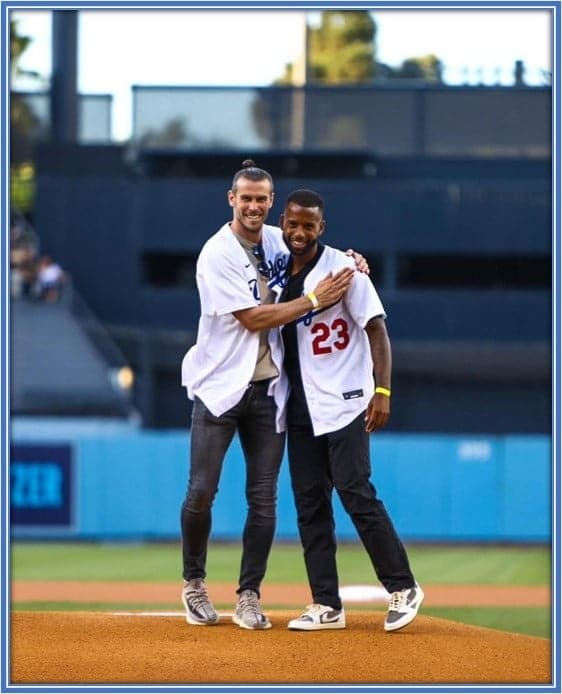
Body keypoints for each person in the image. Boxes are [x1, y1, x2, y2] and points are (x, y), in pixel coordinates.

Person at [180, 161, 365, 631]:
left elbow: (317, 252)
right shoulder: (216, 253)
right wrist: (313, 301)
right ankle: (194, 584)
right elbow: (254, 318)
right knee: (202, 492)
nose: (254, 206)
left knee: (263, 500)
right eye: (246, 197)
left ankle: (248, 595)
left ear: (271, 203)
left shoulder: (277, 239)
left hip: (268, 390)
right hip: (220, 388)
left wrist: (351, 263)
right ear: (231, 199)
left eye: (263, 199)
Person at [275, 189, 423, 633]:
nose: (300, 232)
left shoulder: (345, 268)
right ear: (283, 222)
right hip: (299, 404)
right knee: (309, 504)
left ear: (322, 228)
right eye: (293, 224)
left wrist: (383, 390)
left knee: (356, 492)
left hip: (345, 401)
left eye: (309, 225)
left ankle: (403, 587)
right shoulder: (273, 267)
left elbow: (377, 331)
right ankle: (326, 604)